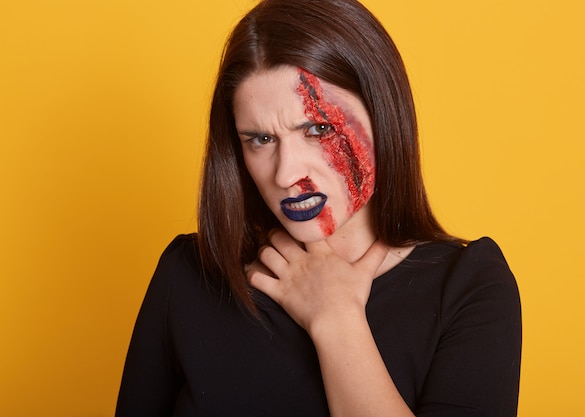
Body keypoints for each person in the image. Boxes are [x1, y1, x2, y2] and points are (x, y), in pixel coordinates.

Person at [116, 0, 522, 415]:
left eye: (318, 128)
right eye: (260, 139)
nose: (286, 174)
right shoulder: (189, 274)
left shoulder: (470, 286)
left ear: (384, 116)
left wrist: (337, 320)